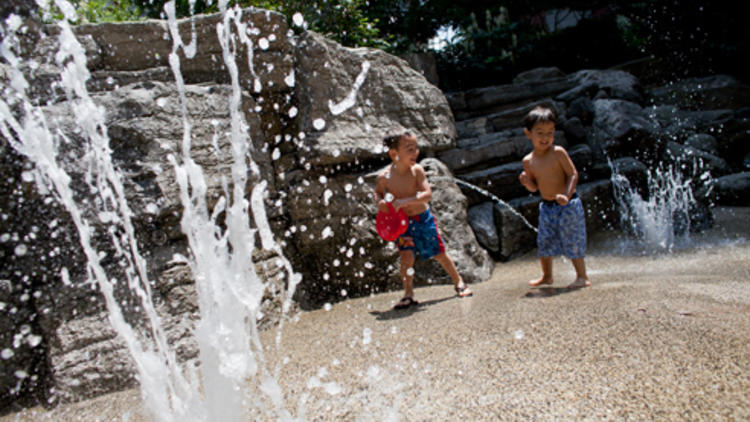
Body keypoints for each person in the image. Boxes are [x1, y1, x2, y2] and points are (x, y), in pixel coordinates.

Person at [374, 130, 473, 309]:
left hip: (422, 219)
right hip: (403, 224)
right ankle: (408, 294)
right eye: (409, 149)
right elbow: (378, 193)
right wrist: (380, 202)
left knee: (439, 253)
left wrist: (405, 201)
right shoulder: (385, 177)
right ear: (393, 153)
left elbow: (427, 194)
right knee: (406, 257)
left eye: (416, 148)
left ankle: (459, 282)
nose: (415, 152)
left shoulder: (416, 171)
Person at [518, 106, 590, 289]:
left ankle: (582, 276)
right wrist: (527, 183)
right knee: (544, 241)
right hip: (547, 206)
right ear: (528, 134)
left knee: (572, 238)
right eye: (540, 133)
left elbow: (573, 174)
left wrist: (566, 195)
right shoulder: (528, 161)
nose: (545, 138)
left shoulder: (558, 152)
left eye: (550, 133)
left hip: (568, 204)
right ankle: (547, 276)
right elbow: (535, 188)